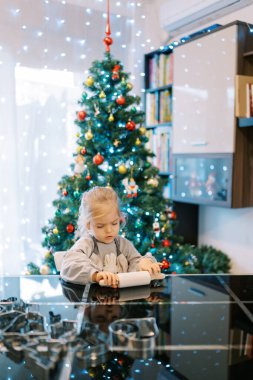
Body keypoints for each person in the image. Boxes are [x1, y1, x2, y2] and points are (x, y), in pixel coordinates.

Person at [60, 186, 161, 287]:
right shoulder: (86, 244)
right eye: (100, 226)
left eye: (114, 223)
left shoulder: (123, 244)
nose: (109, 230)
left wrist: (144, 264)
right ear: (88, 225)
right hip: (95, 298)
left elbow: (135, 261)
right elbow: (69, 265)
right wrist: (95, 275)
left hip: (121, 298)